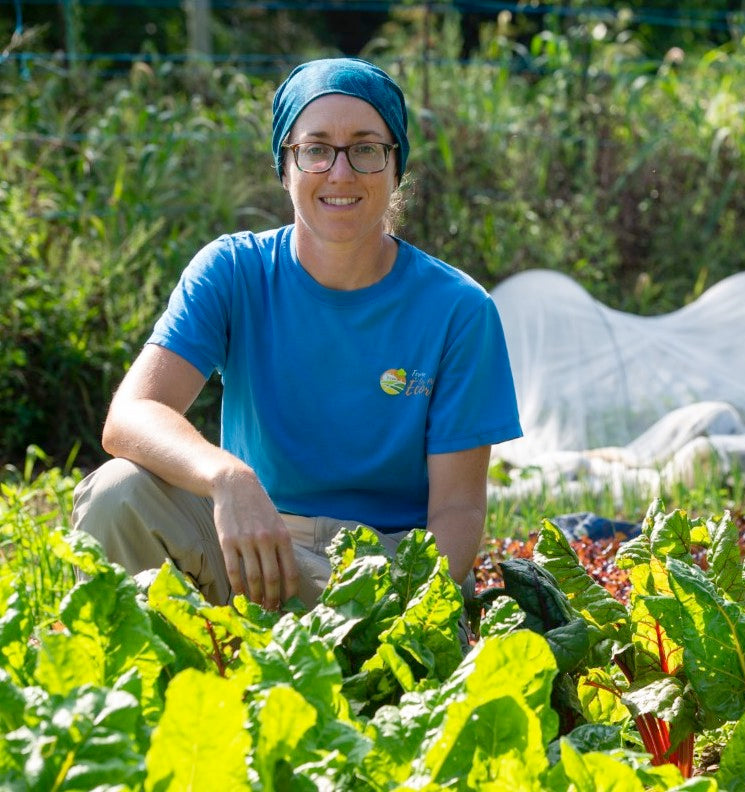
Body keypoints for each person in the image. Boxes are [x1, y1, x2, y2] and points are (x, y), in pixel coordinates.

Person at [72, 57, 522, 612]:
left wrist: (421, 619)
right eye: (315, 149)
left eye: (365, 148)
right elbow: (133, 413)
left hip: (378, 576)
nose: (340, 172)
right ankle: (148, 681)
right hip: (251, 550)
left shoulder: (458, 310)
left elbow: (457, 510)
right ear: (285, 167)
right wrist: (227, 477)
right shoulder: (233, 271)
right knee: (119, 494)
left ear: (394, 165)